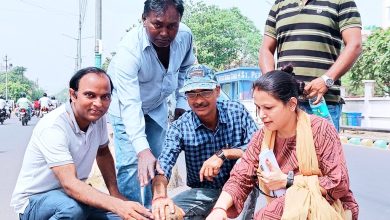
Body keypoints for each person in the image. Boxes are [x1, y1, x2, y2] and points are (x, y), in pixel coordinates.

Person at [206, 67, 358, 220]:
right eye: (258, 108)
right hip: (286, 209)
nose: (262, 115)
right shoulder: (262, 137)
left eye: (269, 107)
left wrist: (288, 181)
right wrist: (219, 209)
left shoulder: (320, 130)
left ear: (292, 104)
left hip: (326, 208)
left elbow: (339, 183)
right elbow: (240, 177)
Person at [11, 67, 154, 220]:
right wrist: (117, 205)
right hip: (36, 202)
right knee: (72, 210)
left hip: (74, 197)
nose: (98, 103)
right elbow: (70, 184)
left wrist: (115, 194)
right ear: (73, 94)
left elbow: (103, 152)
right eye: (90, 95)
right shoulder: (54, 126)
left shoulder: (97, 119)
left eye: (105, 97)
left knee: (128, 216)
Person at [107, 0, 196, 207]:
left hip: (157, 106)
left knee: (157, 161)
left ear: (179, 22)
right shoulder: (129, 51)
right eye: (157, 25)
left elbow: (186, 68)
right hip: (124, 107)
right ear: (144, 20)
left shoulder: (185, 36)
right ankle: (131, 211)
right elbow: (130, 104)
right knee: (131, 164)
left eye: (171, 26)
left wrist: (181, 103)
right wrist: (141, 150)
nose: (165, 33)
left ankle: (152, 209)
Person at [151, 64, 258, 220]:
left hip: (241, 187)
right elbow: (164, 165)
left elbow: (258, 147)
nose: (199, 100)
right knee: (165, 214)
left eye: (205, 92)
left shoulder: (236, 111)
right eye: (192, 94)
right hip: (203, 192)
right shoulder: (180, 127)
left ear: (217, 91)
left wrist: (224, 154)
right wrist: (159, 197)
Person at [258, 0, 362, 131]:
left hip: (321, 104)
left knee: (324, 150)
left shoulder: (342, 1)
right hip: (285, 103)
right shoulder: (279, 4)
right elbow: (265, 50)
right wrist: (271, 87)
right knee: (283, 151)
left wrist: (326, 80)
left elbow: (355, 45)